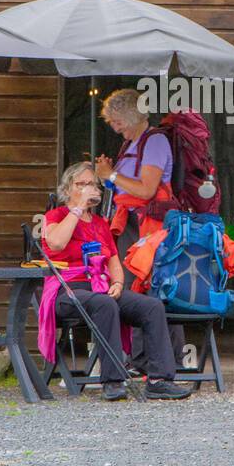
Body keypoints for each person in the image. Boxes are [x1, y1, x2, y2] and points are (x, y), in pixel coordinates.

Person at [42, 161, 192, 401]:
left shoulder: (101, 224)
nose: (88, 189)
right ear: (68, 189)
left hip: (101, 287)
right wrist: (78, 208)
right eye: (81, 184)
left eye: (92, 184)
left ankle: (159, 380)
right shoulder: (55, 216)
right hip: (67, 291)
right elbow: (56, 243)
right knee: (105, 304)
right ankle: (112, 381)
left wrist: (118, 284)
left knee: (151, 306)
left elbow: (114, 262)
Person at [94, 88, 187, 373]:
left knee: (147, 289)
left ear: (130, 115)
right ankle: (141, 358)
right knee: (135, 288)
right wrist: (110, 178)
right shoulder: (132, 145)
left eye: (115, 120)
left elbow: (146, 190)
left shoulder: (155, 142)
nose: (113, 125)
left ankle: (161, 360)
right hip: (133, 225)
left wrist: (110, 175)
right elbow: (126, 187)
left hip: (150, 227)